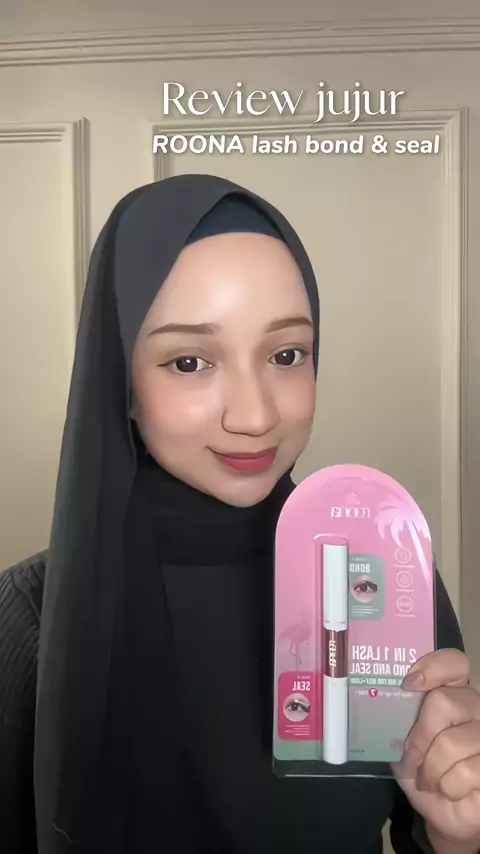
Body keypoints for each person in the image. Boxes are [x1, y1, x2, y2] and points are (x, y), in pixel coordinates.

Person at [0, 174, 479, 854]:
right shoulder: (27, 622)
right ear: (121, 380)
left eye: (287, 354)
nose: (254, 416)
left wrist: (454, 832)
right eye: (189, 361)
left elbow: (427, 828)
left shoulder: (382, 574)